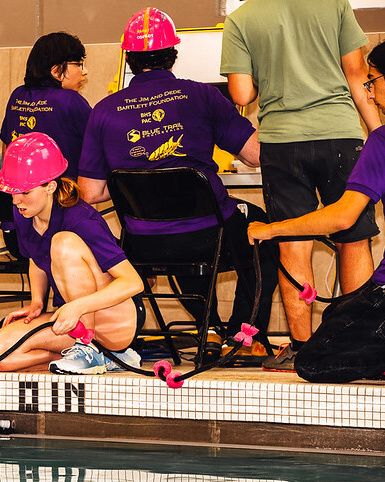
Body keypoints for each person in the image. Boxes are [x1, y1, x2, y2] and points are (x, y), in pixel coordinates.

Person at [78, 7, 278, 361]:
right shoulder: (203, 96)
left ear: (130, 57)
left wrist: (139, 182)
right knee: (262, 231)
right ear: (173, 52)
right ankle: (246, 337)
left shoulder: (103, 111)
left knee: (179, 235)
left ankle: (210, 330)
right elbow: (254, 155)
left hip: (144, 243)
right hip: (207, 232)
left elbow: (91, 193)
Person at [221, 0, 381, 372]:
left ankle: (300, 348)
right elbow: (357, 74)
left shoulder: (240, 18)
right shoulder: (335, 4)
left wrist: (268, 67)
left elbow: (242, 95)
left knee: (292, 240)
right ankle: (356, 344)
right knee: (353, 237)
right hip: (340, 135)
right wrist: (381, 134)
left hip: (282, 143)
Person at [247, 36, 385, 383]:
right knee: (340, 312)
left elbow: (343, 215)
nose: (370, 93)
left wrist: (271, 229)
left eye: (372, 82)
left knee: (314, 360)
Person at [0, 132, 145, 374]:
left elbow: (133, 282)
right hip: (74, 319)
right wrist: (37, 301)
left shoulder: (81, 218)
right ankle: (106, 357)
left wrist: (78, 306)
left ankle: (92, 350)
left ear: (50, 186)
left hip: (116, 318)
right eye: (13, 192)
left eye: (25, 192)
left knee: (62, 242)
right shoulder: (24, 212)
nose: (17, 200)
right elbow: (35, 258)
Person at [0, 31, 91, 177]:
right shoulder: (71, 100)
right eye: (79, 64)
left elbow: (7, 151)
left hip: (19, 191)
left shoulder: (17, 95)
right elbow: (98, 145)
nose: (85, 71)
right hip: (62, 194)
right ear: (56, 71)